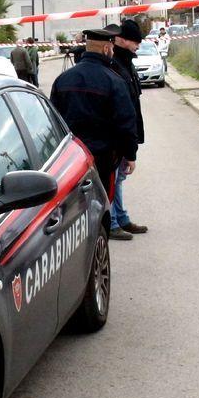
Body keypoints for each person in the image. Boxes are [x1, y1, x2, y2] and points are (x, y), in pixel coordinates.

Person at [50, 26, 140, 239]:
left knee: (76, 207)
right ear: (108, 48)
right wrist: (130, 155)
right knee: (101, 205)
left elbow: (53, 122)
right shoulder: (114, 80)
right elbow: (126, 123)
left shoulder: (63, 80)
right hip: (104, 158)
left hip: (72, 160)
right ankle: (98, 243)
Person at [107, 19, 148, 237]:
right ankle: (114, 223)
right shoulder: (115, 64)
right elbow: (122, 108)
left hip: (126, 133)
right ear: (121, 40)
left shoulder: (126, 62)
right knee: (115, 178)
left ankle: (120, 218)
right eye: (134, 41)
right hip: (118, 135)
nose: (137, 46)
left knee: (119, 178)